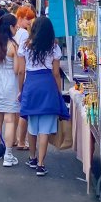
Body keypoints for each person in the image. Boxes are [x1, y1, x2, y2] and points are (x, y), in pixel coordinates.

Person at [19, 17, 68, 177]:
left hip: (31, 85)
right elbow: (55, 73)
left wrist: (21, 90)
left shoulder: (26, 46)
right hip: (47, 85)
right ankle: (41, 164)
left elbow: (21, 71)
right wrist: (58, 91)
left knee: (32, 125)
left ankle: (32, 158)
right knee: (45, 128)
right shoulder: (54, 47)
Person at [0, 14, 24, 167]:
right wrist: (21, 88)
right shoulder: (13, 45)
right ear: (10, 27)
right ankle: (8, 155)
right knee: (10, 119)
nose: (17, 28)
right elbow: (17, 70)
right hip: (10, 83)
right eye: (16, 26)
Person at [14, 5, 36, 151]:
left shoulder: (17, 31)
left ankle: (17, 138)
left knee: (16, 109)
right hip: (24, 71)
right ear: (20, 18)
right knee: (22, 109)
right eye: (27, 19)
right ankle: (21, 140)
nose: (29, 22)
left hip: (16, 71)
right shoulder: (23, 34)